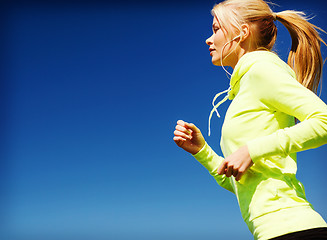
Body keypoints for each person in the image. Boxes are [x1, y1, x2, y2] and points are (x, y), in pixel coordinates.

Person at [173, 0, 327, 239]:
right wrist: (202, 151)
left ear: (242, 33)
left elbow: (323, 121)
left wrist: (252, 150)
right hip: (270, 232)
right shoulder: (245, 86)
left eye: (216, 29)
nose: (208, 39)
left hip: (294, 228)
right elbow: (238, 182)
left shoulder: (261, 71)